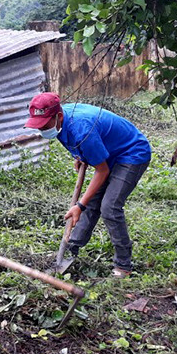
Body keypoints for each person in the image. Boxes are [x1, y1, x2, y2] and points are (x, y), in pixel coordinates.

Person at [25, 92, 151, 277]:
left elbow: (102, 170)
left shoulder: (81, 129)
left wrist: (79, 205)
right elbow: (77, 143)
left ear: (58, 116)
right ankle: (70, 250)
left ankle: (123, 265)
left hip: (131, 153)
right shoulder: (61, 121)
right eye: (38, 125)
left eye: (44, 125)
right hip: (109, 151)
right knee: (92, 204)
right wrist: (81, 155)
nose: (42, 130)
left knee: (109, 207)